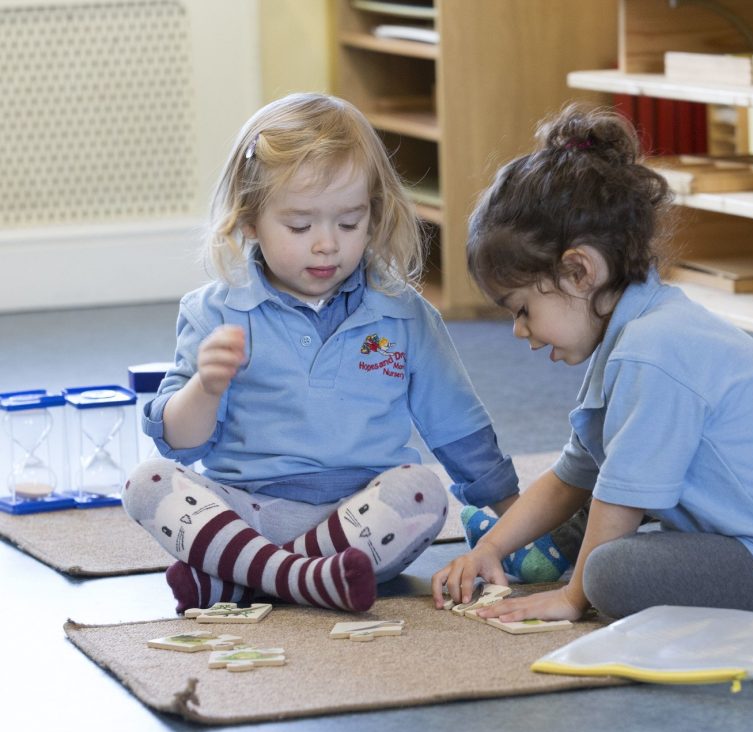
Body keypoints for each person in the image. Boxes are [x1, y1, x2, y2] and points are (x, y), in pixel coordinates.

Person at [122, 92, 523, 615]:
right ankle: (300, 576)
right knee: (146, 484)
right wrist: (206, 386)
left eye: (348, 222)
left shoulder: (404, 314)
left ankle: (243, 577)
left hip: (357, 520)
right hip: (248, 511)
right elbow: (180, 443)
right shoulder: (214, 310)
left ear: (373, 216)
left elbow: (457, 426)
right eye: (299, 226)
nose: (326, 244)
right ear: (249, 222)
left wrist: (516, 517)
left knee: (423, 492)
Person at [432, 103, 753, 621]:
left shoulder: (651, 350)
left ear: (579, 270)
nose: (519, 331)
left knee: (609, 573)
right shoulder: (637, 333)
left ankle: (576, 569)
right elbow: (570, 477)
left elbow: (620, 499)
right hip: (741, 534)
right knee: (607, 523)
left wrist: (573, 598)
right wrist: (489, 550)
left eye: (523, 310)